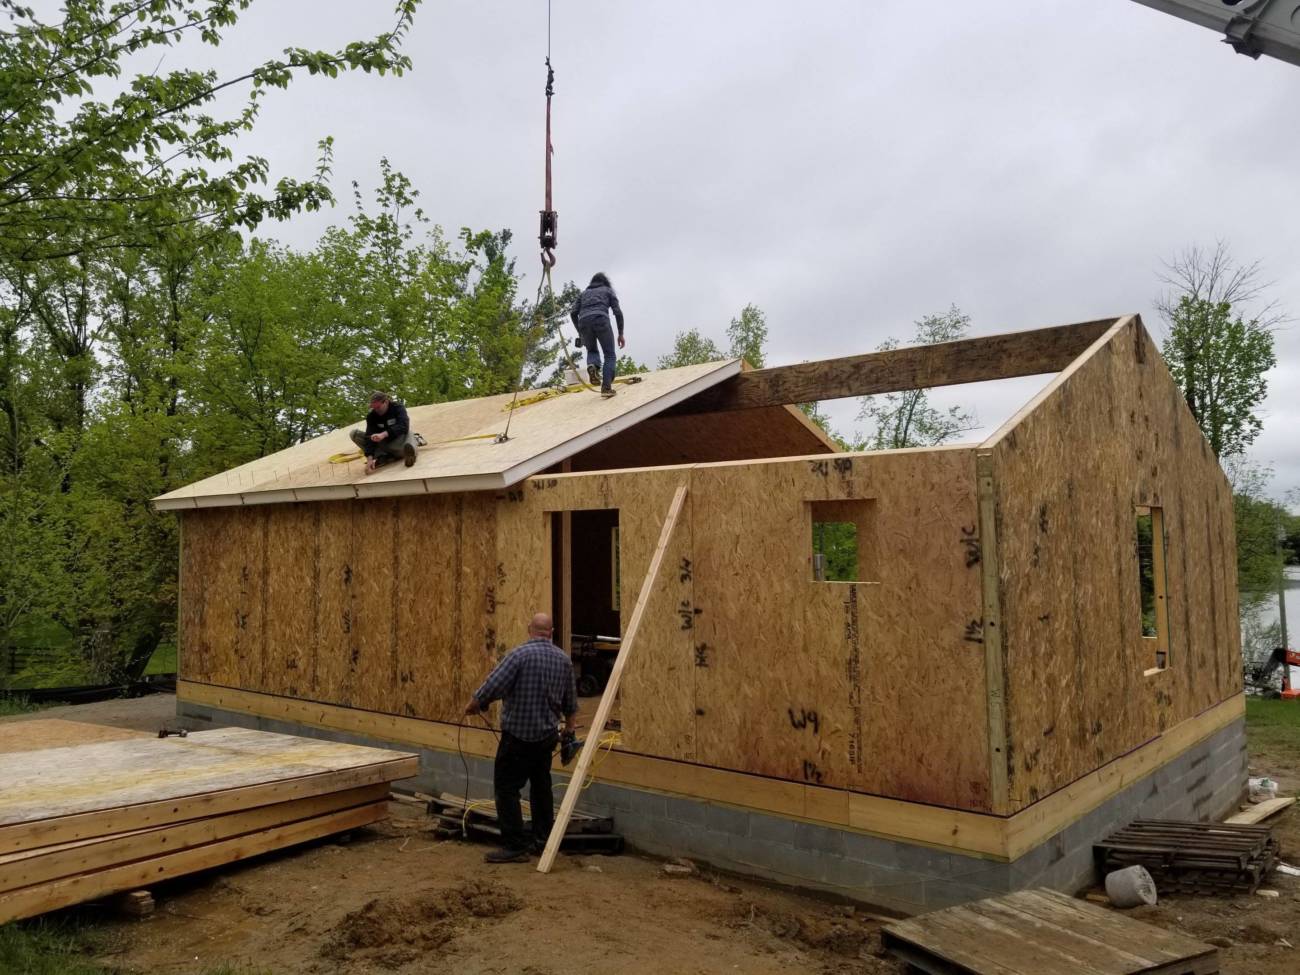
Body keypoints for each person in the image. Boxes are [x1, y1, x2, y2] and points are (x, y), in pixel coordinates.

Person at [464, 612, 578, 863]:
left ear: (530, 629)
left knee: (506, 788)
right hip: (546, 737)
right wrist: (569, 731)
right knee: (541, 788)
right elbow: (571, 704)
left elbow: (494, 685)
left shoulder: (518, 655)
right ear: (552, 631)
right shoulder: (563, 660)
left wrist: (475, 703)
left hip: (517, 738)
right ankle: (542, 841)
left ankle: (515, 846)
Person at [569, 272, 625, 398]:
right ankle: (606, 387)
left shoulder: (583, 294)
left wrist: (580, 331)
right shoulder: (608, 291)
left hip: (583, 322)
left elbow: (573, 313)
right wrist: (620, 334)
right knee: (609, 355)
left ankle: (592, 366)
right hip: (601, 319)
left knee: (592, 350)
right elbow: (618, 312)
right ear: (605, 282)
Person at [350, 391, 416, 474]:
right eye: (374, 408)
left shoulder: (397, 407)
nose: (376, 410)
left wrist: (384, 434)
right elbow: (369, 437)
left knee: (409, 434)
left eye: (378, 407)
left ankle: (410, 455)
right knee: (354, 434)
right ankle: (383, 457)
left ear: (386, 402)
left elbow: (403, 426)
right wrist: (369, 459)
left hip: (399, 441)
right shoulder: (372, 416)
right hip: (384, 445)